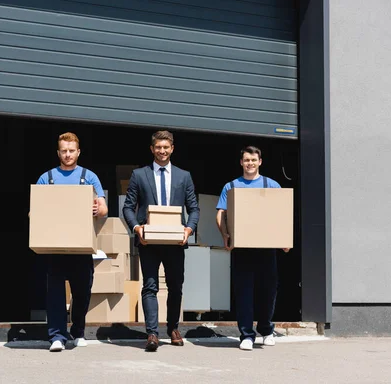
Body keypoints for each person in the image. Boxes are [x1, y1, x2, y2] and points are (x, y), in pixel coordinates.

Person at [123, 130, 200, 352]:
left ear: (172, 148)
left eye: (166, 147)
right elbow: (128, 207)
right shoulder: (139, 175)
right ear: (152, 149)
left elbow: (193, 208)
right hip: (149, 242)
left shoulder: (183, 176)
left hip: (176, 242)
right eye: (158, 147)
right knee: (150, 287)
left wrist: (189, 229)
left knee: (176, 287)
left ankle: (173, 328)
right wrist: (137, 229)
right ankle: (152, 333)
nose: (162, 151)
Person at [34, 132, 108, 352]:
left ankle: (77, 331)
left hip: (81, 247)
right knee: (55, 293)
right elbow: (34, 211)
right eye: (64, 151)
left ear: (78, 152)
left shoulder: (90, 177)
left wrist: (98, 208)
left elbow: (103, 208)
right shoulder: (46, 178)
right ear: (58, 152)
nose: (67, 154)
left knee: (82, 291)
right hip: (55, 247)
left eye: (71, 151)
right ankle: (57, 336)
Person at [215, 145, 290, 351]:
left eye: (253, 160)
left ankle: (266, 330)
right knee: (244, 292)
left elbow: (281, 212)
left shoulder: (271, 185)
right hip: (242, 249)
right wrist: (225, 236)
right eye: (246, 160)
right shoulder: (231, 186)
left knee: (268, 291)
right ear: (241, 162)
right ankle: (246, 335)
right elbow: (221, 214)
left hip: (267, 249)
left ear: (260, 162)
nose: (250, 163)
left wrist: (285, 239)